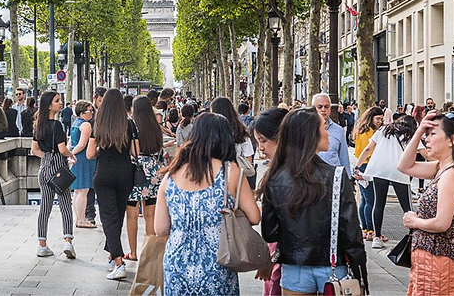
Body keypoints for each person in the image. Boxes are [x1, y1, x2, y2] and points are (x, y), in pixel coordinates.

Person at [260, 108, 367, 296]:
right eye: (323, 128)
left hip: (294, 266)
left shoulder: (275, 178)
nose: (327, 133)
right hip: (333, 265)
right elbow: (351, 232)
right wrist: (360, 270)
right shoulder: (336, 176)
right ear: (310, 136)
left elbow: (270, 233)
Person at [155, 112, 259, 296]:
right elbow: (254, 216)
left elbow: (161, 229)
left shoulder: (171, 175)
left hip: (176, 265)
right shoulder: (230, 171)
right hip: (217, 264)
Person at [397, 111, 454, 295]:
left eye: (432, 134)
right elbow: (404, 166)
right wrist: (419, 131)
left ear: (451, 140)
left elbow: (442, 223)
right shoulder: (442, 168)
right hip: (432, 264)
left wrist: (414, 222)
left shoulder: (452, 174)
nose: (427, 139)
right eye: (427, 134)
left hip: (440, 265)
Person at [86, 89, 137, 281]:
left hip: (105, 174)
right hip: (125, 174)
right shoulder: (129, 124)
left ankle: (119, 262)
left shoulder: (97, 124)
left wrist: (102, 148)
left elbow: (90, 154)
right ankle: (111, 254)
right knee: (118, 215)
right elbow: (135, 151)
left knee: (108, 217)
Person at [354, 113, 419, 249]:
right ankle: (414, 235)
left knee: (379, 203)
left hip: (379, 169)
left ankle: (376, 237)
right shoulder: (410, 134)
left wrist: (357, 166)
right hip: (399, 170)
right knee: (406, 205)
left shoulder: (383, 130)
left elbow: (368, 149)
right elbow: (424, 153)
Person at [31, 91, 77, 258]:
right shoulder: (56, 125)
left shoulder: (38, 125)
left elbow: (34, 150)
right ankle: (68, 241)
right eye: (57, 101)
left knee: (45, 207)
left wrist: (47, 158)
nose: (60, 103)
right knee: (65, 205)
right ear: (49, 105)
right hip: (58, 167)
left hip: (44, 168)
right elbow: (62, 149)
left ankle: (41, 244)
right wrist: (71, 155)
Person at [252, 107, 289, 296]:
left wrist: (271, 259)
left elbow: (283, 228)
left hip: (284, 259)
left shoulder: (281, 177)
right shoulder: (280, 171)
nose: (261, 148)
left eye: (263, 141)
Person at [125, 96, 165, 261]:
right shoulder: (156, 126)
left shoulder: (132, 125)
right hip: (154, 170)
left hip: (135, 170)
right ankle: (149, 252)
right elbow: (160, 149)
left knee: (132, 213)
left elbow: (133, 151)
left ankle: (133, 252)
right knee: (150, 213)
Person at [352, 107, 384, 241]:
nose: (380, 122)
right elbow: (369, 151)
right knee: (371, 200)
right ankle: (371, 229)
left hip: (362, 165)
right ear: (371, 117)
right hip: (368, 166)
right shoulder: (369, 133)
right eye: (378, 119)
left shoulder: (360, 130)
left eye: (381, 119)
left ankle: (365, 228)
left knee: (364, 200)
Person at [212, 97, 256, 189]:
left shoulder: (211, 131)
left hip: (215, 175)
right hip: (237, 175)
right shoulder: (240, 129)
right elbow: (248, 156)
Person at [70, 100, 97, 229]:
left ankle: (78, 217)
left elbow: (72, 141)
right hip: (83, 158)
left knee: (77, 191)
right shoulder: (86, 125)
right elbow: (82, 144)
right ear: (82, 112)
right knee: (83, 190)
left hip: (76, 159)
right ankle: (81, 219)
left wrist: (70, 154)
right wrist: (73, 154)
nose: (92, 112)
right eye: (89, 110)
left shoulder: (76, 123)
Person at [312, 93, 352, 178]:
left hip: (333, 178)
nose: (323, 110)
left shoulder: (339, 130)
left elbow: (343, 157)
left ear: (330, 108)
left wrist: (348, 178)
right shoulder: (306, 129)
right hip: (312, 178)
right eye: (319, 107)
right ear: (313, 108)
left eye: (326, 107)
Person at [86, 86, 108, 226]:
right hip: (92, 154)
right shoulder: (89, 115)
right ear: (95, 99)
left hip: (102, 157)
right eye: (100, 101)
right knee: (89, 187)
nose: (101, 104)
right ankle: (90, 213)